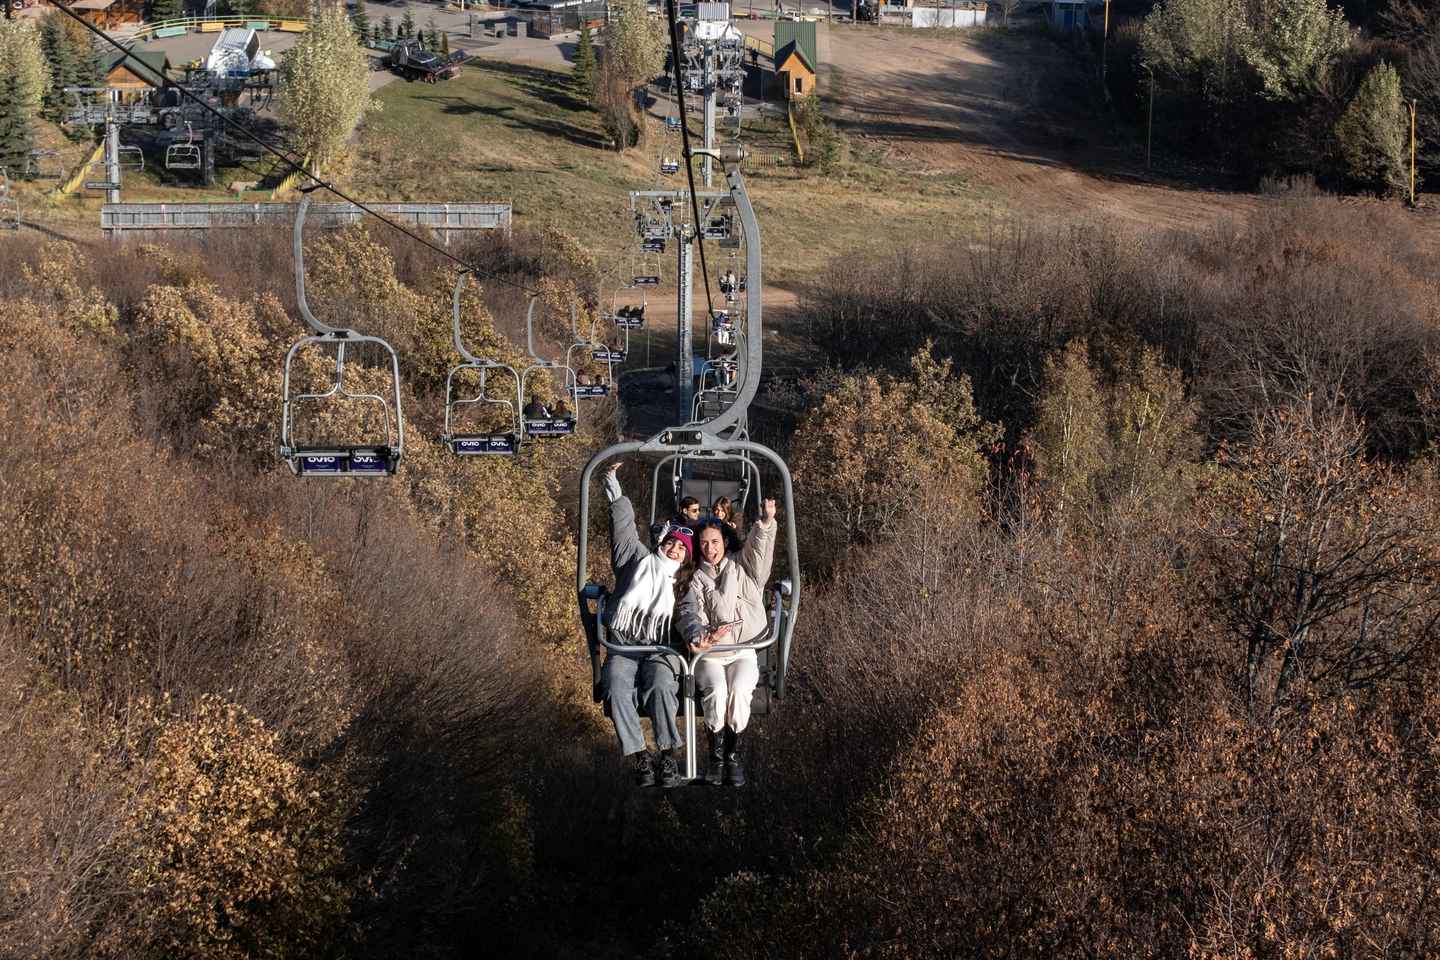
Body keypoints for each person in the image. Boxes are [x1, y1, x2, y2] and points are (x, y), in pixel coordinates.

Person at [600, 463, 695, 788]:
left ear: (686, 557)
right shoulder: (635, 561)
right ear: (662, 542)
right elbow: (623, 528)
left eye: (681, 548)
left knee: (661, 686)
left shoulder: (684, 584)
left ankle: (667, 753)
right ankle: (641, 755)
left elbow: (693, 614)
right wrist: (615, 488)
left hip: (660, 648)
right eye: (671, 542)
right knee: (615, 687)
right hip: (624, 647)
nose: (674, 548)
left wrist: (697, 636)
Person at [677, 498, 778, 787]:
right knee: (717, 690)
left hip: (742, 649)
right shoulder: (693, 578)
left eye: (715, 541)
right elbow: (687, 612)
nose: (711, 548)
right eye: (705, 543)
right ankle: (716, 755)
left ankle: (732, 754)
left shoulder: (743, 567)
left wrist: (766, 523)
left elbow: (760, 552)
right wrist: (700, 637)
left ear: (725, 541)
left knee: (740, 689)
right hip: (710, 653)